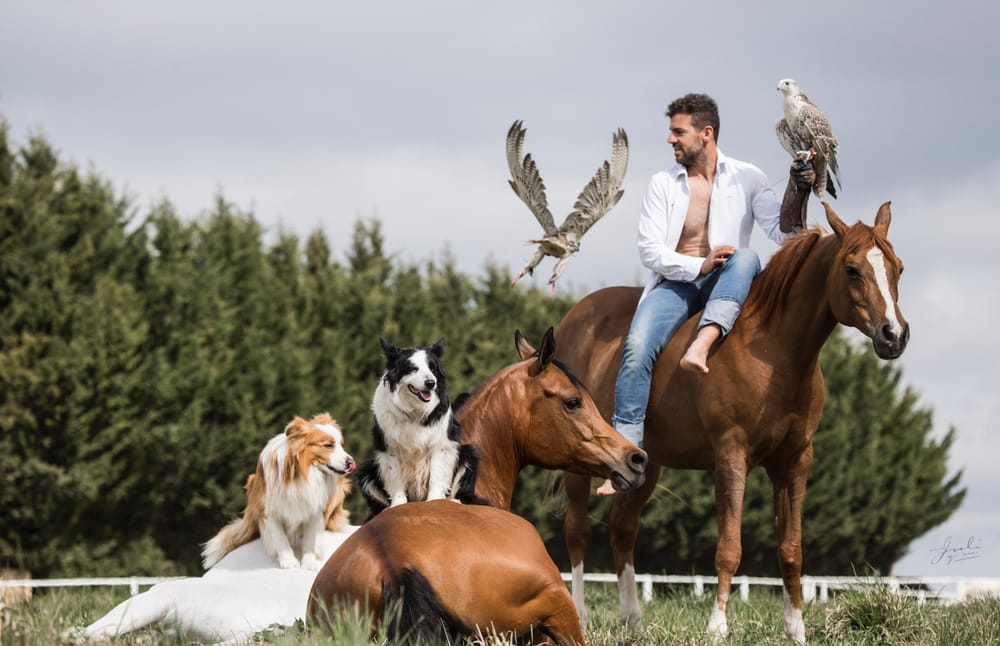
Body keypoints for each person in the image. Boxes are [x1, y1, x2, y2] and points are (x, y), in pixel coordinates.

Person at [596, 93, 812, 496]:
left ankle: (704, 341)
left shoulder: (748, 177)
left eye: (678, 132)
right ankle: (623, 456)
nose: (670, 139)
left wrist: (798, 191)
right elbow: (650, 250)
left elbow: (786, 234)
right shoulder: (663, 184)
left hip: (729, 281)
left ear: (706, 133)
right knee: (637, 348)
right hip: (676, 284)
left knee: (747, 257)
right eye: (671, 132)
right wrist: (700, 265)